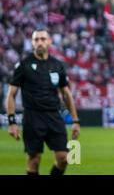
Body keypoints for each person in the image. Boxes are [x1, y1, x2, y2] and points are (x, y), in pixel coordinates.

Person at [6, 28, 80, 175]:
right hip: (33, 117)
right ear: (32, 43)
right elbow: (11, 95)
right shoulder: (23, 65)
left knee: (64, 158)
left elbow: (66, 94)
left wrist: (75, 120)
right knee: (34, 160)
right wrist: (12, 122)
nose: (39, 42)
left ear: (49, 42)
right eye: (36, 40)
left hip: (54, 116)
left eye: (43, 39)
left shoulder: (57, 65)